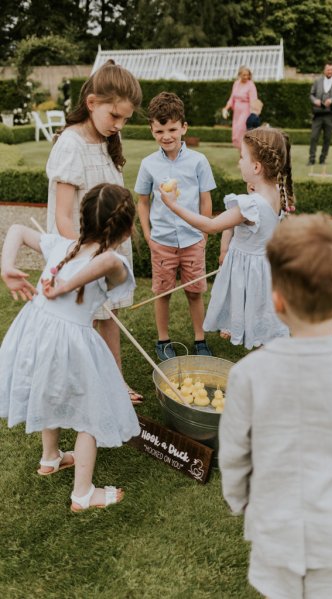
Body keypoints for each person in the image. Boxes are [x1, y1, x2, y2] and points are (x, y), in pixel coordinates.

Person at [219, 213, 332, 599]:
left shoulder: (249, 374)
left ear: (277, 299)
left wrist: (239, 501)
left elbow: (234, 453)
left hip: (275, 526)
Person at [0, 183, 141, 512]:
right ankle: (83, 494)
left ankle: (51, 457)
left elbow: (19, 230)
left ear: (83, 217)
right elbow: (107, 262)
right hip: (69, 341)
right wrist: (7, 268)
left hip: (37, 333)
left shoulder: (64, 246)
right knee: (90, 413)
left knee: (49, 392)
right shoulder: (114, 261)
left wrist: (66, 281)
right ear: (128, 229)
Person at [46, 59, 143, 404]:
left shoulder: (105, 139)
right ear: (92, 103)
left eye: (125, 119)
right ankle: (82, 387)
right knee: (80, 323)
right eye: (114, 116)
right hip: (82, 253)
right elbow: (62, 216)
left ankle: (114, 380)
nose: (119, 125)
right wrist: (82, 262)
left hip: (106, 250)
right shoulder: (71, 144)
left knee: (108, 315)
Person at [160, 126, 294, 350]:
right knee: (261, 319)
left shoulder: (250, 204)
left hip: (249, 271)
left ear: (257, 167)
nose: (239, 162)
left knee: (256, 320)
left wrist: (173, 206)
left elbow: (211, 225)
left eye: (242, 157)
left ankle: (265, 370)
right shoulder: (276, 192)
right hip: (265, 270)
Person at [135, 92, 216, 361]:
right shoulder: (148, 164)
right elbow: (142, 201)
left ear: (184, 127)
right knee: (163, 292)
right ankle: (163, 340)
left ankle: (200, 339)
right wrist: (148, 235)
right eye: (159, 130)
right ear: (152, 130)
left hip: (193, 239)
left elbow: (206, 198)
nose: (166, 136)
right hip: (162, 241)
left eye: (172, 129)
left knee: (195, 292)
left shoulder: (198, 161)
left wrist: (204, 233)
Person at [308, 61, 332, 165]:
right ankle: (311, 159)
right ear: (324, 70)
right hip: (318, 114)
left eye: (331, 69)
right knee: (314, 137)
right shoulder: (317, 81)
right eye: (328, 69)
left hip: (330, 114)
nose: (329, 71)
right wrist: (315, 100)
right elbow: (311, 95)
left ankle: (322, 159)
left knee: (327, 138)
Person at [223, 66, 258, 149]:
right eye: (244, 75)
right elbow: (232, 98)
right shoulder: (236, 84)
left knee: (241, 130)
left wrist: (254, 114)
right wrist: (226, 108)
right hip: (236, 111)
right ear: (239, 75)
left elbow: (253, 100)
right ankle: (241, 153)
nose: (246, 77)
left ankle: (244, 151)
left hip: (246, 110)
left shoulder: (251, 85)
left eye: (247, 75)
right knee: (235, 132)